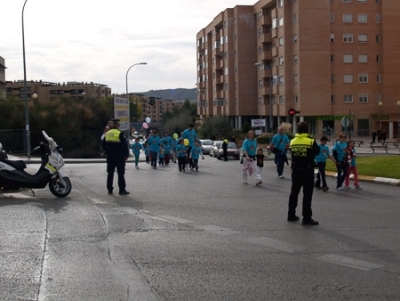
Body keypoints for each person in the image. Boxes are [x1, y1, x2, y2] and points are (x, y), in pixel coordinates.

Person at [287, 121, 321, 225]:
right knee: (307, 194)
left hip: (296, 170)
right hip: (307, 170)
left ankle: (291, 215)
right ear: (307, 129)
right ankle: (306, 217)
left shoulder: (293, 141)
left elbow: (292, 153)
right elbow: (317, 151)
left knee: (294, 193)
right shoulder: (310, 141)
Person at [103, 119, 130, 195]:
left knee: (110, 173)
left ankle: (109, 189)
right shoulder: (120, 133)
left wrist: (107, 151)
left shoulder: (107, 133)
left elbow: (103, 144)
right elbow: (124, 145)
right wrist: (126, 155)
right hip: (119, 156)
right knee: (120, 173)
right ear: (117, 125)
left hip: (110, 156)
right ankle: (121, 190)